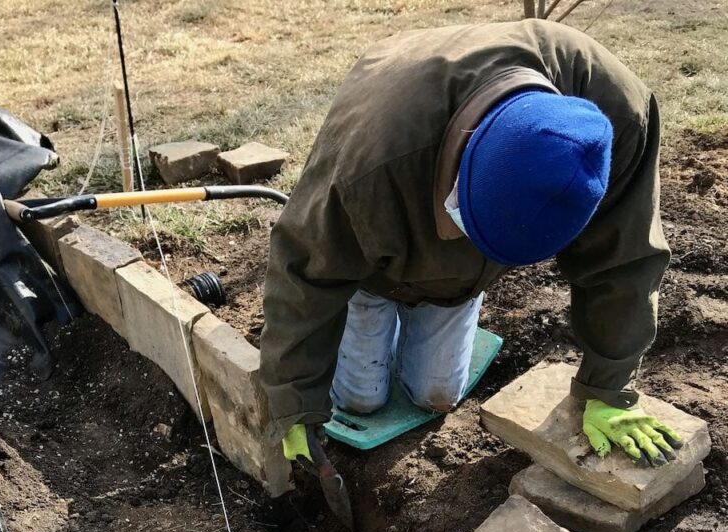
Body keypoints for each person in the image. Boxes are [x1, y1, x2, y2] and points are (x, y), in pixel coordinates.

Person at [258, 18, 683, 473]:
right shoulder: (374, 161)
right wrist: (294, 401)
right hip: (373, 258)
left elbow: (625, 259)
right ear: (464, 161)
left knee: (435, 396)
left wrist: (608, 389)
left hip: (457, 274)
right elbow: (303, 268)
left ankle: (448, 294)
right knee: (361, 400)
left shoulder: (619, 117)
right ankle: (374, 303)